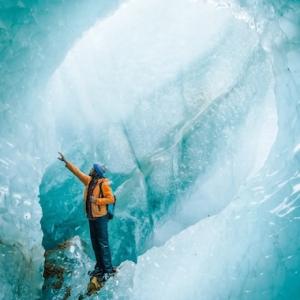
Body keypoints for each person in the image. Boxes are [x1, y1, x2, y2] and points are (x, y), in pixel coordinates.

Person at [57, 152, 115, 282]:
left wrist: (97, 201)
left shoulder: (103, 184)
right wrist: (66, 162)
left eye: (93, 168)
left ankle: (108, 270)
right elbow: (77, 173)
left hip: (100, 217)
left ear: (96, 172)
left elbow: (110, 198)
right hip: (92, 217)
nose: (90, 169)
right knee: (95, 243)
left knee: (103, 244)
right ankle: (100, 268)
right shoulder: (89, 181)